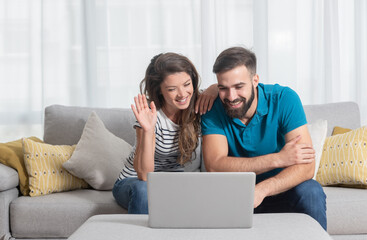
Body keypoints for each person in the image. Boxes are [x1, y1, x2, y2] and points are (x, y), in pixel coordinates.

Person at [201, 47, 327, 230]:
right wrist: (278, 159)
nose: (231, 96)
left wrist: (262, 189)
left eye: (238, 87)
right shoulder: (212, 108)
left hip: (280, 190)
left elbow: (306, 166)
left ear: (255, 80)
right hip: (234, 196)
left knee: (311, 191)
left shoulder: (284, 99)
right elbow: (215, 165)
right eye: (223, 88)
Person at [112, 52, 217, 214]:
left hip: (173, 183)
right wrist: (148, 130)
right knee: (143, 190)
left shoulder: (197, 103)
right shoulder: (152, 115)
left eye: (187, 84)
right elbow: (144, 176)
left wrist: (213, 89)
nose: (182, 94)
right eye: (172, 89)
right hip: (134, 182)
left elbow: (223, 86)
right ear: (160, 91)